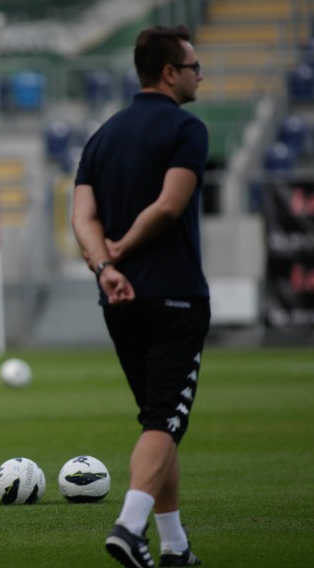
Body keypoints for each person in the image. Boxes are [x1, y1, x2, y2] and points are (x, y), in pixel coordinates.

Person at [71, 25, 209, 567]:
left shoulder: (102, 135)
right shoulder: (187, 129)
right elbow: (171, 205)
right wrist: (125, 248)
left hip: (119, 302)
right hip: (174, 295)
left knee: (157, 421)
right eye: (195, 67)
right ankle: (130, 529)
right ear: (170, 73)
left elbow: (82, 217)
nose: (201, 75)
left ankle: (174, 546)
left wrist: (105, 267)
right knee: (164, 422)